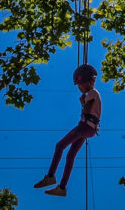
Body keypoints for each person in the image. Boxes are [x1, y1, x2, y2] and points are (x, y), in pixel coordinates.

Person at [34, 63, 101, 197]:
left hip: (85, 126)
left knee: (59, 146)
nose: (79, 88)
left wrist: (83, 103)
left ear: (86, 82)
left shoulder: (92, 92)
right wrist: (84, 101)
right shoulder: (91, 94)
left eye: (79, 85)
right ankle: (62, 188)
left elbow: (87, 110)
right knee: (70, 155)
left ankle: (50, 176)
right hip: (89, 129)